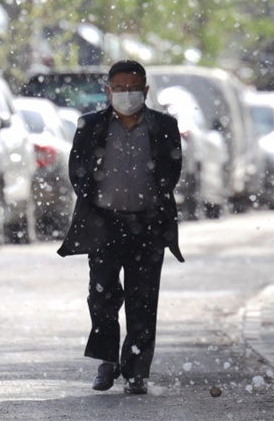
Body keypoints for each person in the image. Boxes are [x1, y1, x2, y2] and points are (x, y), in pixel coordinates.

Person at [57, 59, 183, 395]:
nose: (127, 95)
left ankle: (137, 369)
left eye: (133, 89)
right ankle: (107, 360)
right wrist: (97, 202)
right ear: (108, 91)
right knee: (101, 297)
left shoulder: (163, 126)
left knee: (143, 300)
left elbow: (170, 172)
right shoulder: (91, 126)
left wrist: (150, 204)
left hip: (148, 225)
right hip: (104, 225)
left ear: (145, 91)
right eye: (120, 88)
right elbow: (78, 170)